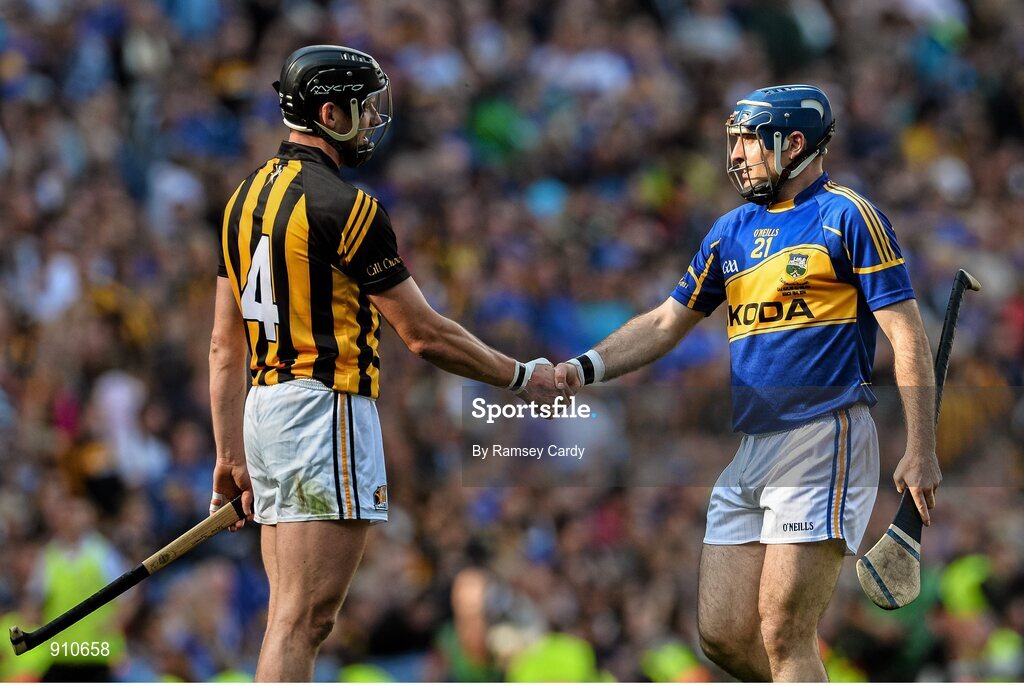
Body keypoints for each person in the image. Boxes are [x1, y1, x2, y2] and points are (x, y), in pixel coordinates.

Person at [554, 84, 942, 681]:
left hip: (824, 435)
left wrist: (921, 448)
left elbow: (908, 338)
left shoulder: (848, 217)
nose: (735, 155)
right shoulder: (729, 231)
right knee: (724, 636)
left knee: (784, 633)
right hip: (753, 445)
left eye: (748, 142)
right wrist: (585, 367)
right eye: (731, 142)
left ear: (794, 143)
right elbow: (663, 322)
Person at [208, 45, 558, 682]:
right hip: (324, 410)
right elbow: (423, 336)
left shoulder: (242, 200)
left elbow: (223, 347)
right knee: (302, 620)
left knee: (290, 617)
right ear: (328, 112)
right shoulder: (348, 207)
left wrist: (230, 453)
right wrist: (516, 375)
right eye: (362, 109)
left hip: (265, 413)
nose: (372, 121)